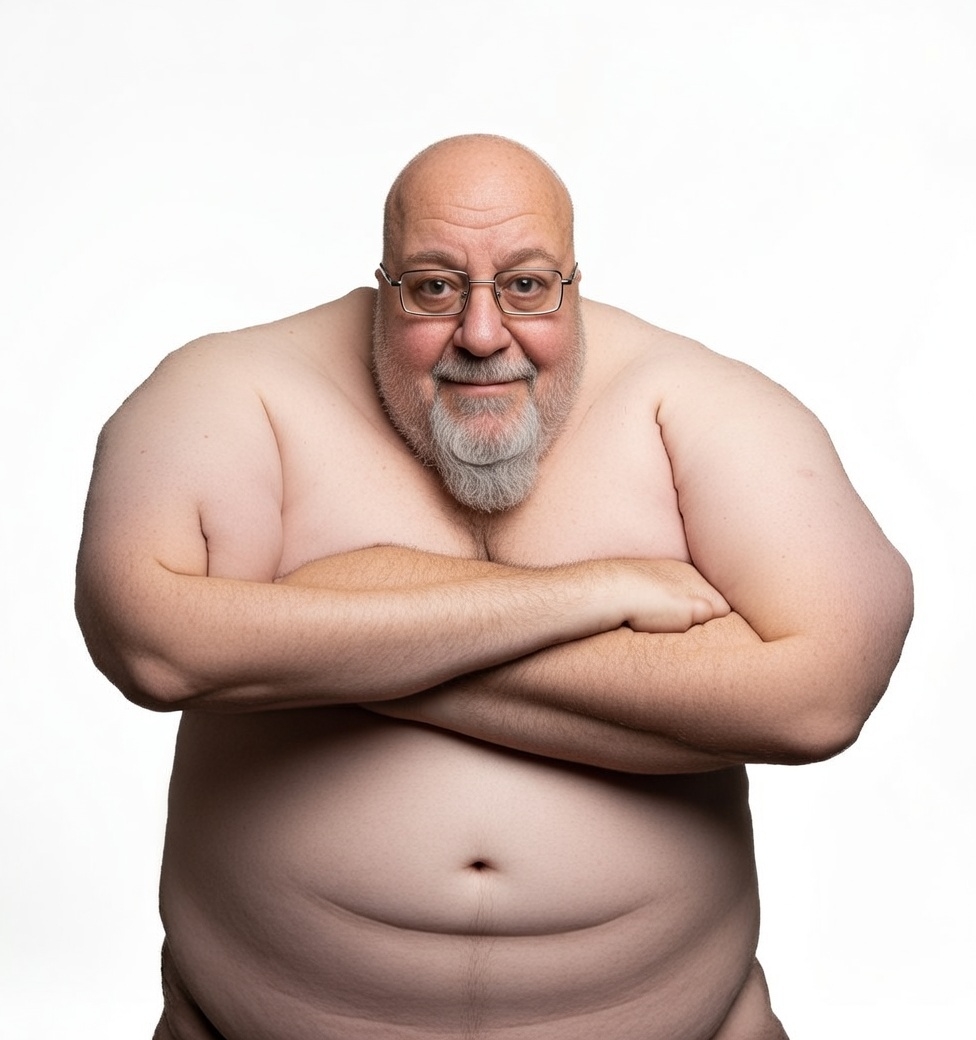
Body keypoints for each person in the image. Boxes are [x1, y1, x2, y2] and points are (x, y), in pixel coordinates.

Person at [75, 134, 913, 1040]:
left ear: (573, 283)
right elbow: (152, 645)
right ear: (384, 284)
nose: (481, 334)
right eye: (435, 287)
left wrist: (343, 628)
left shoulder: (686, 399)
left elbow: (821, 696)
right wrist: (590, 595)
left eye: (525, 285)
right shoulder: (240, 386)